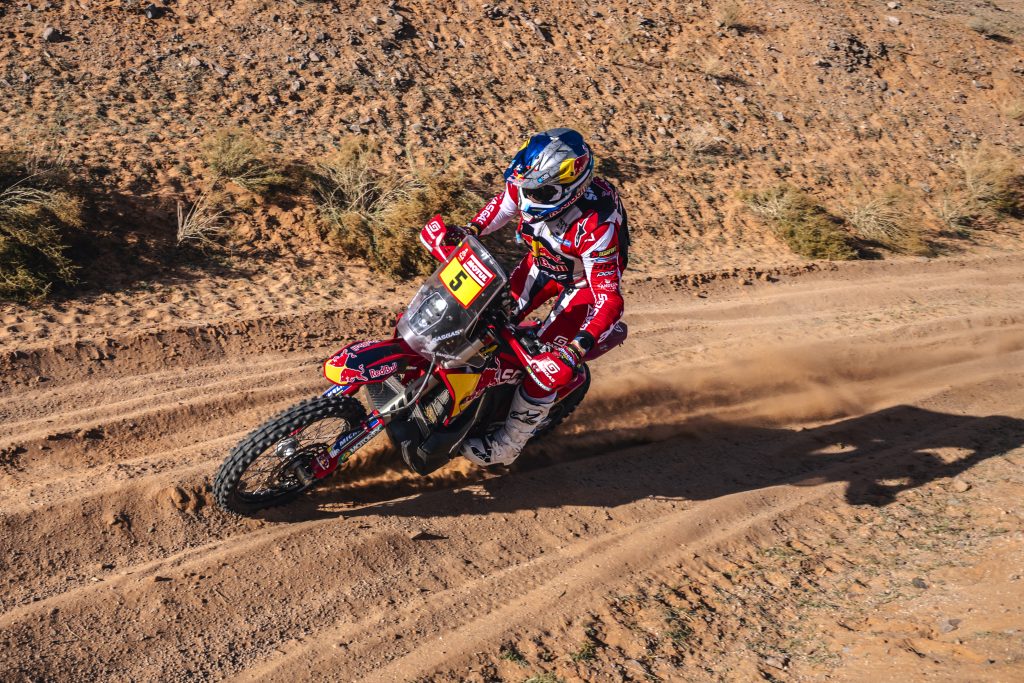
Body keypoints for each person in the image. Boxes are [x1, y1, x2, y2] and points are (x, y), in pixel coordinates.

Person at [458, 128, 628, 466]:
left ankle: (508, 445)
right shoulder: (527, 182)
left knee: (546, 365)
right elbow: (503, 205)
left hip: (584, 285)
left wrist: (575, 348)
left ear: (570, 188)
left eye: (539, 191)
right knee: (478, 315)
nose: (527, 197)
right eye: (526, 188)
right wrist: (470, 229)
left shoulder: (596, 225)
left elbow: (609, 297)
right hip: (542, 263)